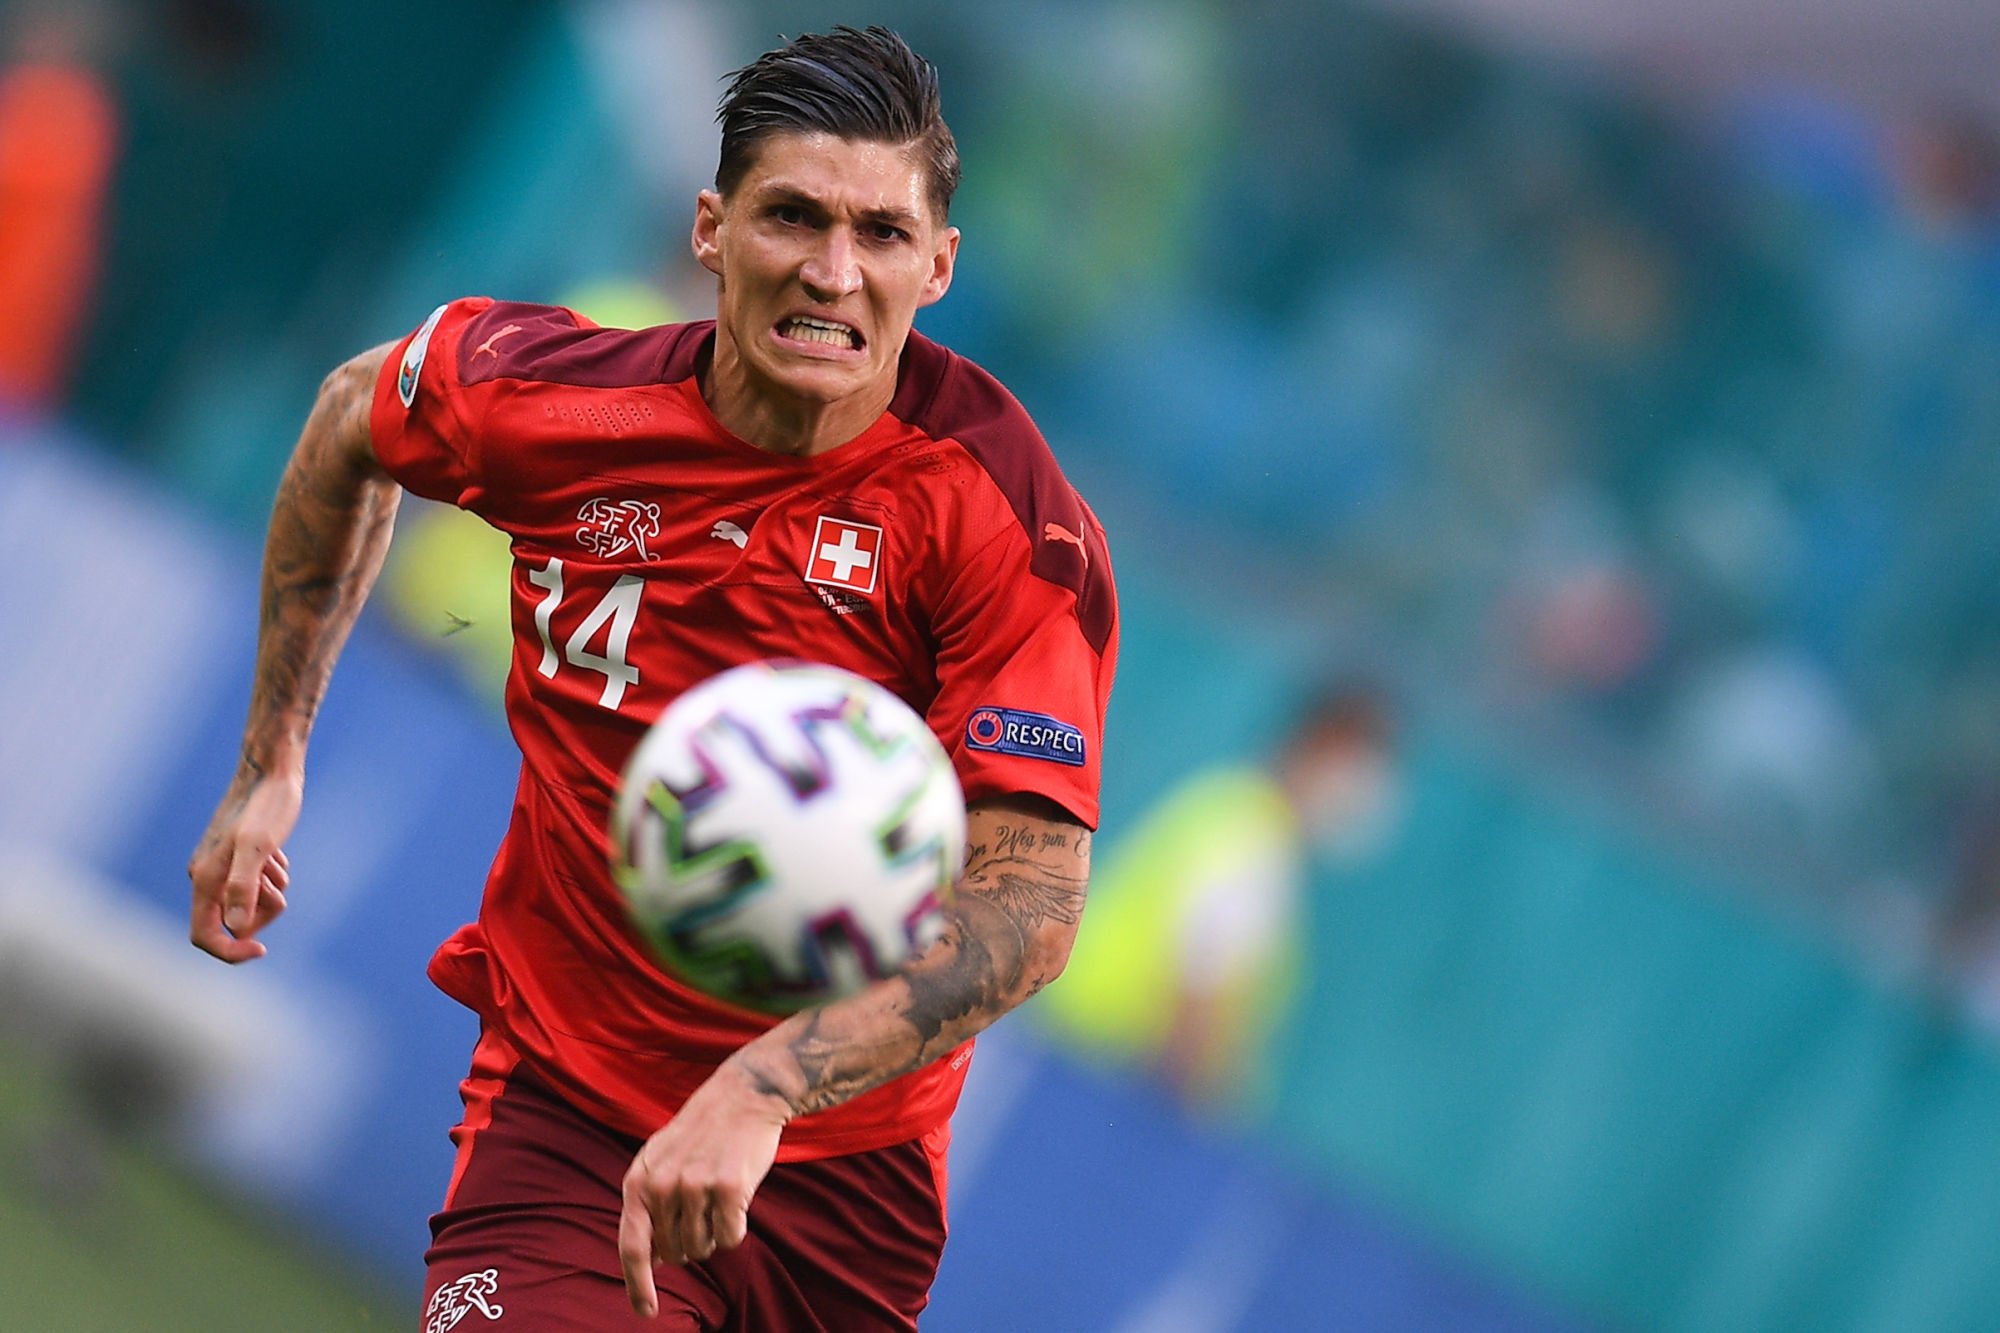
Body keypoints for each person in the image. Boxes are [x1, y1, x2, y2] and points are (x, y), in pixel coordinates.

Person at [186, 27, 1117, 1331]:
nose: (834, 272)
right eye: (791, 216)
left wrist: (766, 1086)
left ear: (939, 265)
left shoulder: (1004, 520)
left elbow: (1032, 898)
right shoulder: (552, 400)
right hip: (565, 1114)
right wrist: (270, 763)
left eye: (882, 233)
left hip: (842, 1180)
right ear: (710, 229)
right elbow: (354, 417)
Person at [1039, 682, 1395, 1112]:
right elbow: (1198, 992)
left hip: (1075, 1055)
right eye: (1360, 766)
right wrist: (1179, 1116)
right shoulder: (1255, 845)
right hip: (1102, 1075)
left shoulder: (1231, 809)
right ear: (1317, 747)